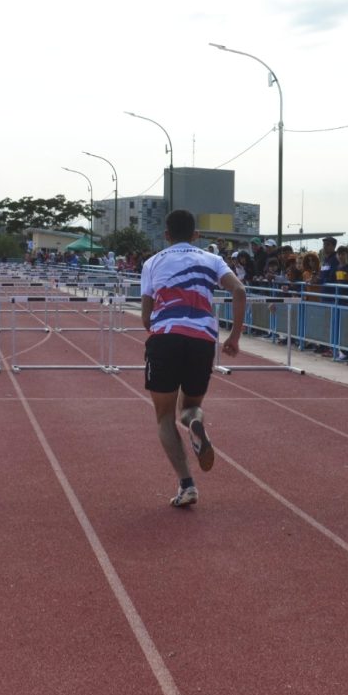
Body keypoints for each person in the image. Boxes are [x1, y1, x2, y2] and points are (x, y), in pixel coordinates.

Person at [141, 210, 246, 508]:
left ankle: (187, 484)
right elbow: (239, 290)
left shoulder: (153, 262)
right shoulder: (212, 260)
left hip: (165, 337)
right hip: (202, 339)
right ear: (196, 235)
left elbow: (146, 318)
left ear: (166, 235)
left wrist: (159, 331)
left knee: (164, 417)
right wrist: (234, 337)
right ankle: (196, 423)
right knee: (191, 406)